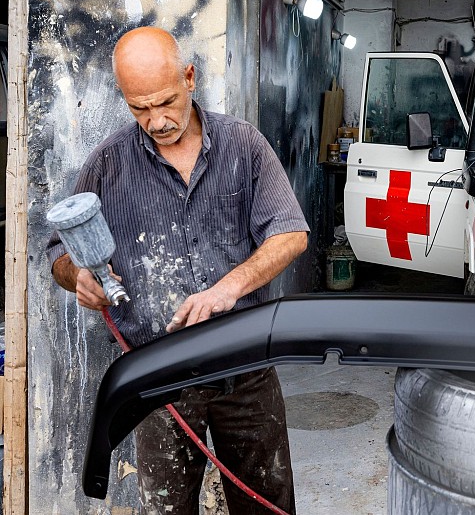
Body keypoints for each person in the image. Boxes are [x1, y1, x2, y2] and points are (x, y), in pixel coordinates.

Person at [47, 27, 309, 514]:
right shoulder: (108, 163)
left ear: (189, 77)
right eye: (139, 108)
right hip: (158, 378)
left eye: (166, 102)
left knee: (267, 505)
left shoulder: (243, 146)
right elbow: (59, 252)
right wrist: (76, 276)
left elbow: (291, 233)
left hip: (244, 372)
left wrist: (228, 287)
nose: (157, 120)